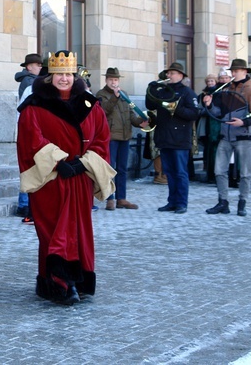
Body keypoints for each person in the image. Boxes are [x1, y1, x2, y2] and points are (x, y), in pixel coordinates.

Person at [17, 50, 113, 305]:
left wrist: (82, 163)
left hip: (79, 178)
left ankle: (79, 280)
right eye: (59, 74)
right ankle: (59, 283)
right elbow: (31, 139)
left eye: (69, 74)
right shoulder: (34, 105)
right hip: (50, 180)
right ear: (50, 76)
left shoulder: (90, 105)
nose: (64, 79)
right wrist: (59, 162)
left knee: (79, 230)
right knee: (52, 230)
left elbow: (102, 138)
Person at [203, 59, 251, 216]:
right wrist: (209, 105)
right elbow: (218, 113)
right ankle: (223, 202)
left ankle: (242, 203)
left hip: (244, 137)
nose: (233, 73)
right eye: (232, 71)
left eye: (236, 71)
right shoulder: (225, 90)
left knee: (245, 173)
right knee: (219, 171)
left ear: (244, 71)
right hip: (225, 136)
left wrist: (243, 122)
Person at [146, 62, 200, 214]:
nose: (169, 76)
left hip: (180, 139)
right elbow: (150, 105)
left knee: (180, 172)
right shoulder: (163, 90)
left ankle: (181, 203)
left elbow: (194, 113)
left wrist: (177, 109)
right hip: (164, 137)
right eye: (168, 73)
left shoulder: (187, 93)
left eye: (172, 73)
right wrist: (150, 90)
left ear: (180, 75)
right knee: (168, 172)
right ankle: (172, 202)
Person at [95, 67, 149, 210]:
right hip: (110, 137)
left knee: (122, 169)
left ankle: (121, 198)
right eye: (112, 79)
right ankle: (110, 198)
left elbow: (130, 113)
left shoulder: (124, 94)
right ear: (106, 80)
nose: (114, 82)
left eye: (116, 80)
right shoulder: (101, 94)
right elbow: (104, 110)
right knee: (110, 168)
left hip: (125, 136)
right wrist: (115, 97)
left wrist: (140, 122)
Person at [14, 53, 42, 220]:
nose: (39, 68)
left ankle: (25, 204)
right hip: (28, 128)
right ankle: (24, 204)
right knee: (28, 166)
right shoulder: (29, 82)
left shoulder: (31, 80)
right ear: (29, 66)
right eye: (37, 65)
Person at [197, 73, 220, 183]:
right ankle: (207, 171)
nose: (210, 83)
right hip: (205, 123)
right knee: (207, 148)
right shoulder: (202, 95)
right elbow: (199, 108)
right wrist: (205, 111)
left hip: (215, 123)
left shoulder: (219, 93)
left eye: (212, 81)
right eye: (208, 81)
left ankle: (214, 173)